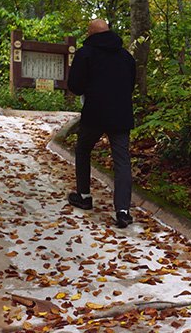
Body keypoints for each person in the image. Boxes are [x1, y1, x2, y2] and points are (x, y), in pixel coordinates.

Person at [67, 19, 136, 228]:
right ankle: (123, 211)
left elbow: (75, 86)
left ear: (90, 33)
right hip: (121, 114)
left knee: (83, 150)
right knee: (122, 160)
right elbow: (131, 85)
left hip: (94, 113)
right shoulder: (126, 56)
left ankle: (85, 196)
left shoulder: (85, 53)